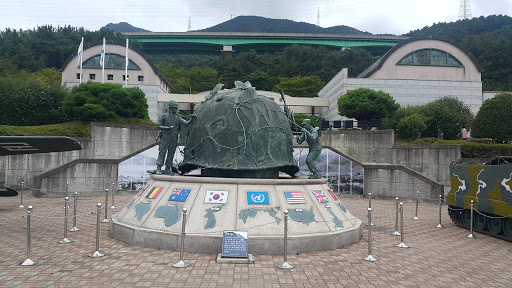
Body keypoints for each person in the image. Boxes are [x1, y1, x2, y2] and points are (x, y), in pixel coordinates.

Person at [155, 101, 195, 175]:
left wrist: (192, 119)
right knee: (162, 152)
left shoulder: (177, 118)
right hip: (165, 136)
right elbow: (158, 125)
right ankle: (159, 168)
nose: (176, 110)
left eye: (176, 108)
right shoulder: (163, 116)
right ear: (171, 108)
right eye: (175, 108)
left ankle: (167, 168)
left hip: (174, 137)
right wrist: (167, 128)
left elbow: (186, 123)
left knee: (171, 153)